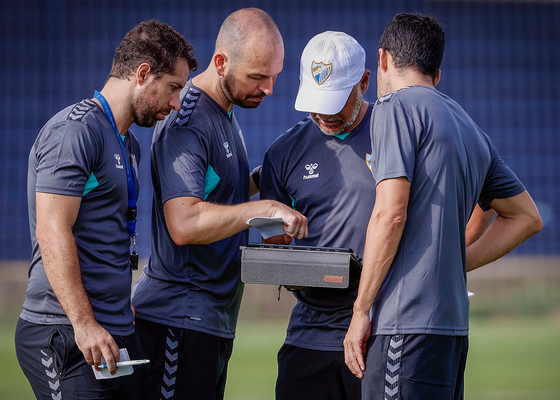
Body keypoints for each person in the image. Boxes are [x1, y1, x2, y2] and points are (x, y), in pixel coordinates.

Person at [343, 13, 542, 400]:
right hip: (451, 332)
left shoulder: (393, 108)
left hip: (403, 325)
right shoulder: (470, 128)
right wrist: (454, 262)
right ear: (437, 72)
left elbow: (391, 213)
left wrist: (360, 310)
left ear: (383, 58)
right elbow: (526, 217)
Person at [15, 20, 197, 400]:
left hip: (113, 330)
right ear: (143, 74)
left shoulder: (129, 144)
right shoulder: (75, 131)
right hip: (65, 331)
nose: (177, 103)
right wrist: (84, 323)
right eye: (174, 87)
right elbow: (52, 229)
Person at [131, 8, 308, 400]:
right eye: (258, 77)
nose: (269, 88)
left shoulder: (225, 110)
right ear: (222, 62)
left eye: (275, 75)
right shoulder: (187, 120)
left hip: (209, 326)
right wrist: (265, 209)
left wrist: (274, 176)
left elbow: (223, 192)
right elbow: (184, 222)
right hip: (176, 323)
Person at [260, 31, 373, 400]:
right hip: (307, 338)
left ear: (364, 82)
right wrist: (283, 257)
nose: (323, 113)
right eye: (316, 101)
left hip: (380, 336)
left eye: (334, 101)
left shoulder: (397, 135)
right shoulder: (282, 153)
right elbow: (275, 251)